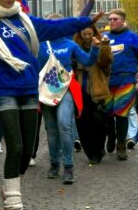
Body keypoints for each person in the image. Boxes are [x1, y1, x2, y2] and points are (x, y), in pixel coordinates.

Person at [0, 0, 103, 210]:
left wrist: (85, 21)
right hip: (4, 91)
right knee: (16, 146)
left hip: (30, 90)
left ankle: (10, 187)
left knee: (26, 151)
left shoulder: (28, 22)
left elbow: (58, 26)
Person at [38, 28, 100, 184]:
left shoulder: (70, 44)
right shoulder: (40, 45)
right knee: (51, 130)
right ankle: (54, 164)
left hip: (67, 89)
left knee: (64, 124)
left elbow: (88, 61)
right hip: (47, 90)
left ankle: (68, 166)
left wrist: (95, 49)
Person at [103, 9, 138, 160]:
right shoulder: (104, 37)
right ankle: (111, 136)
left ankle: (121, 145)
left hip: (126, 80)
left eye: (115, 19)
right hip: (107, 81)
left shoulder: (133, 38)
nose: (112, 21)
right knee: (107, 113)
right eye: (110, 19)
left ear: (123, 21)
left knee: (121, 113)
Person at [73, 22, 112, 164]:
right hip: (80, 89)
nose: (88, 37)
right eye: (85, 34)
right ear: (80, 34)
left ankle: (99, 149)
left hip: (97, 88)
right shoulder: (75, 47)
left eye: (90, 34)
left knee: (99, 122)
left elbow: (106, 63)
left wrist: (104, 47)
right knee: (83, 123)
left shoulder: (102, 45)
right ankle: (90, 152)